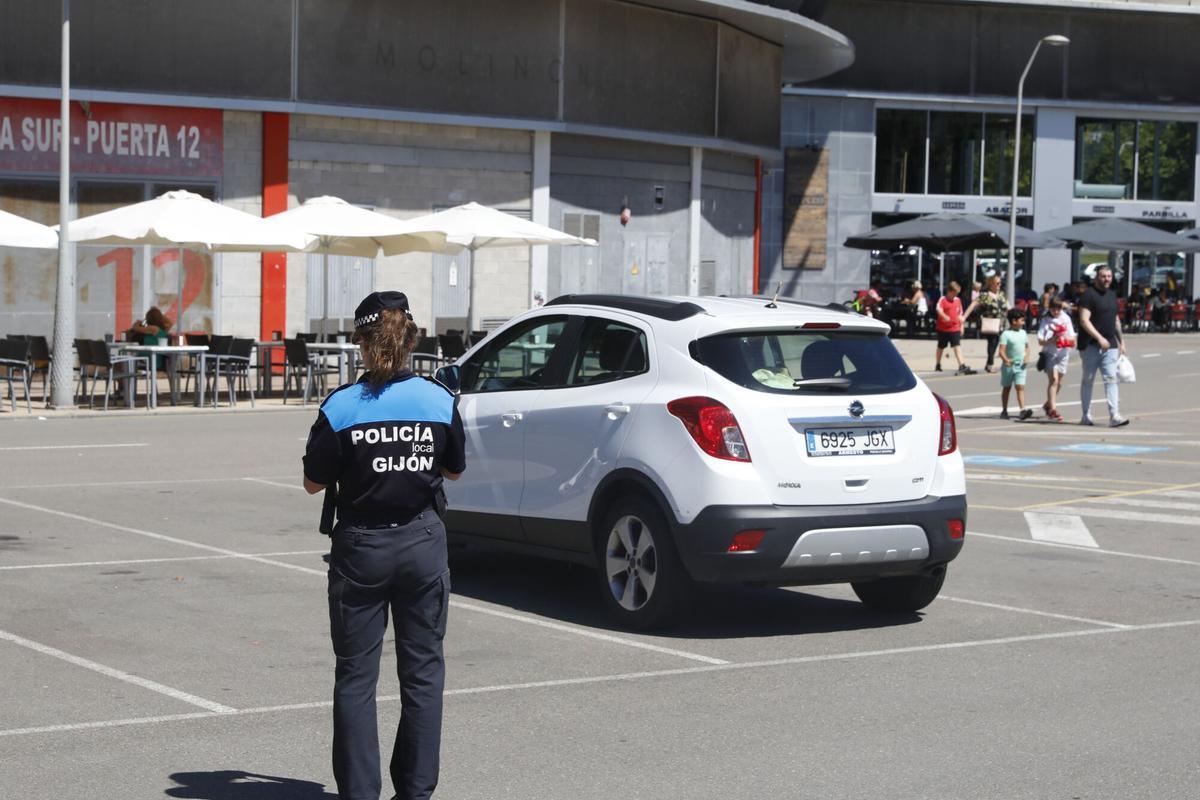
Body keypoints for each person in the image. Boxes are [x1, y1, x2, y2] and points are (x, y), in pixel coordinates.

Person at [303, 291, 467, 800]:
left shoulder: (342, 406)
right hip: (422, 541)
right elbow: (454, 470)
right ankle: (416, 792)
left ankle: (360, 793)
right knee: (422, 675)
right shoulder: (438, 399)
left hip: (361, 548)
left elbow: (313, 482)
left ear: (361, 344)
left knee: (356, 678)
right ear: (411, 339)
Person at [1077, 265, 1128, 427]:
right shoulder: (1088, 295)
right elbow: (1084, 320)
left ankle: (1114, 416)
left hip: (1110, 345)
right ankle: (1086, 415)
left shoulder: (1112, 295)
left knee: (1111, 379)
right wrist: (1098, 338)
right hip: (1090, 345)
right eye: (1103, 276)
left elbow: (1115, 320)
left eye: (1109, 276)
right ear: (1096, 277)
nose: (1107, 279)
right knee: (1088, 380)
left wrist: (1121, 341)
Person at [1037, 297, 1075, 422]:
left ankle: (1047, 404)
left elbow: (1072, 337)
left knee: (1059, 383)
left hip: (1063, 353)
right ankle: (1052, 410)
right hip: (1050, 353)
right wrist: (1051, 340)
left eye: (1058, 309)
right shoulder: (1046, 320)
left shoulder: (1066, 318)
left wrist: (1066, 340)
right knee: (1053, 380)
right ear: (1050, 308)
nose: (1056, 311)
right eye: (1054, 309)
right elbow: (1040, 340)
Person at [963, 274, 1008, 373]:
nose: (999, 285)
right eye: (997, 283)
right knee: (992, 342)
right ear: (991, 284)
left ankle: (988, 363)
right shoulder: (985, 296)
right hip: (989, 323)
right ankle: (990, 364)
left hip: (1000, 324)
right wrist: (964, 317)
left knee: (995, 343)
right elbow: (973, 305)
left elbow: (1008, 307)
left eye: (1000, 283)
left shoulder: (1001, 295)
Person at [997, 308, 1033, 420]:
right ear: (1014, 321)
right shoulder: (1006, 334)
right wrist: (1006, 360)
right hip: (1008, 366)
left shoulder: (1023, 333)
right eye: (1021, 320)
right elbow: (1001, 350)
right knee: (1007, 388)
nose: (1023, 323)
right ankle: (1004, 410)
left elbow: (1027, 347)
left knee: (1020, 387)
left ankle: (1022, 410)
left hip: (1021, 365)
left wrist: (1027, 356)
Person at [934, 281, 975, 374]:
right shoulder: (943, 299)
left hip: (954, 327)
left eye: (956, 293)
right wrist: (944, 316)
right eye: (954, 293)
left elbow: (960, 314)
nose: (955, 295)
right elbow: (938, 309)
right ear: (949, 291)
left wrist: (962, 326)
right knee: (941, 347)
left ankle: (962, 364)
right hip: (943, 328)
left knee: (957, 346)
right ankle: (938, 364)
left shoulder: (957, 300)